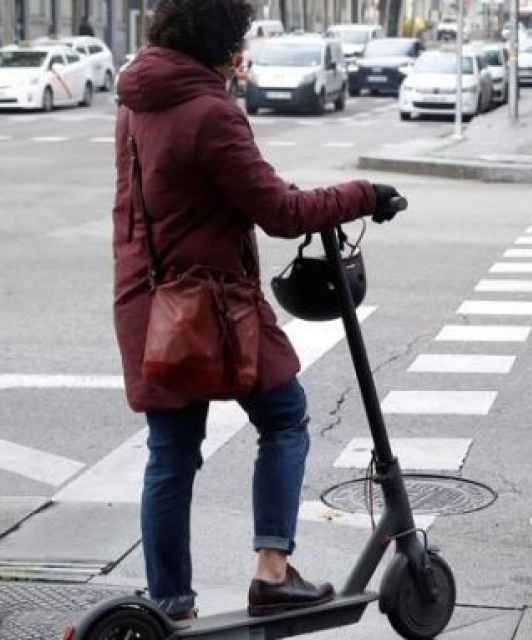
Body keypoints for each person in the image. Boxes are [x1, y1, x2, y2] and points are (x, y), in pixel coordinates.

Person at [112, 0, 402, 622]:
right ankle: (272, 571)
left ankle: (168, 604)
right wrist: (364, 194)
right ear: (221, 41)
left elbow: (192, 196)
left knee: (170, 452)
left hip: (146, 301)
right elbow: (279, 213)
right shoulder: (210, 111)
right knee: (286, 416)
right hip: (210, 306)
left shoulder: (138, 101)